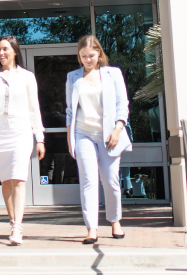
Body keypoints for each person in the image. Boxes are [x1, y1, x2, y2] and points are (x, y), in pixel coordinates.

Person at [0, 35, 45, 245]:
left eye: (6, 49)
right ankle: (12, 220)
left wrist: (40, 137)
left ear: (15, 51)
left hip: (21, 130)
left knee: (18, 178)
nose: (2, 53)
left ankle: (18, 227)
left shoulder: (27, 77)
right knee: (6, 180)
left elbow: (34, 108)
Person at [65, 35, 131, 244]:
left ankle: (115, 221)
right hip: (83, 134)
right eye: (83, 56)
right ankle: (91, 228)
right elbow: (70, 111)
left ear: (99, 54)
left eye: (91, 55)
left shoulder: (113, 74)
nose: (87, 60)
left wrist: (118, 129)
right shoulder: (73, 77)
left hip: (109, 135)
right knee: (88, 182)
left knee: (111, 181)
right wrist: (70, 139)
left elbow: (123, 103)